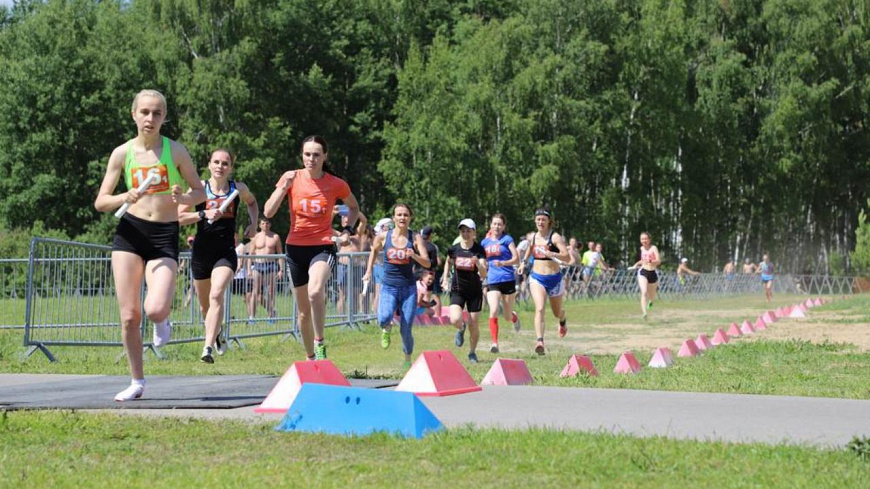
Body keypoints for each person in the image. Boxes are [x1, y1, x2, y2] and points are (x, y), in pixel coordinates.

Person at [94, 89, 205, 401]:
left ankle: (163, 320)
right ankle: (137, 381)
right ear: (134, 114)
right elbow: (101, 202)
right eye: (144, 112)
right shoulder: (122, 153)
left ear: (164, 117)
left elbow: (200, 192)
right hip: (130, 233)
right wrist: (124, 196)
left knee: (154, 309)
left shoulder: (176, 151)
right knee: (130, 316)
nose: (150, 118)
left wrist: (183, 197)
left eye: (157, 113)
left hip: (163, 234)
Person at [264, 135, 360, 360]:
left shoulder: (336, 184)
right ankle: (310, 358)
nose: (311, 159)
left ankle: (320, 341)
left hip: (322, 247)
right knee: (303, 313)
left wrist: (348, 231)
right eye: (307, 154)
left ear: (325, 156)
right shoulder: (291, 178)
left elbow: (354, 207)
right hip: (295, 248)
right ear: (302, 155)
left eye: (316, 155)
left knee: (315, 291)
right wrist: (283, 187)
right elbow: (268, 212)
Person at [178, 148, 258, 363]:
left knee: (216, 295)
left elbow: (252, 202)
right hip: (201, 253)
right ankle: (217, 333)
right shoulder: (199, 189)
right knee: (205, 307)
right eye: (216, 162)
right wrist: (203, 213)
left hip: (225, 252)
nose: (220, 167)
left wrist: (253, 224)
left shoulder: (238, 188)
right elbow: (178, 217)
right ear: (209, 164)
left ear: (230, 167)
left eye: (225, 163)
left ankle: (207, 348)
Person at [363, 203, 430, 367]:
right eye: (399, 215)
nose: (402, 218)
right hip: (389, 286)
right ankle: (386, 328)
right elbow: (374, 251)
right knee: (383, 318)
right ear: (394, 218)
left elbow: (427, 263)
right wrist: (368, 271)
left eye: (405, 215)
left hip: (408, 289)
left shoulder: (415, 238)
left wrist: (414, 255)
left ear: (410, 218)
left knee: (406, 330)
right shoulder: (383, 237)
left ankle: (407, 359)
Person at [516, 208, 569, 355]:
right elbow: (529, 249)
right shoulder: (533, 237)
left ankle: (563, 320)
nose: (540, 222)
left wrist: (553, 254)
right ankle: (540, 341)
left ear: (548, 221)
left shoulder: (555, 237)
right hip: (537, 278)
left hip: (555, 279)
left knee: (557, 312)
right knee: (540, 308)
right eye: (538, 219)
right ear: (535, 221)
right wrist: (523, 263)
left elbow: (567, 256)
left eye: (543, 220)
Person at [441, 218, 487, 363]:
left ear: (474, 232)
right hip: (458, 289)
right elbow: (448, 262)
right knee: (454, 319)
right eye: (463, 231)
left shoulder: (479, 250)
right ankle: (461, 328)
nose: (465, 234)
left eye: (468, 231)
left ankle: (472, 353)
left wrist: (478, 264)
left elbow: (484, 273)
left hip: (474, 291)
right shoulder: (454, 249)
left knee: (474, 324)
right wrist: (445, 278)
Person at [481, 213, 521, 353]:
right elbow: (482, 260)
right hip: (492, 280)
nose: (496, 226)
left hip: (508, 279)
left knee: (507, 316)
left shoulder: (507, 240)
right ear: (490, 225)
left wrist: (503, 263)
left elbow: (516, 259)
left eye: (499, 224)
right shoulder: (484, 242)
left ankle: (514, 317)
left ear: (503, 226)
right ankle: (494, 343)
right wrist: (481, 266)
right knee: (493, 310)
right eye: (494, 224)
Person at [249, 217, 283, 322]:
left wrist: (281, 270)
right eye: (263, 223)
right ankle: (252, 317)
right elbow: (250, 254)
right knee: (255, 291)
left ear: (270, 225)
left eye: (267, 223)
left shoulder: (275, 237)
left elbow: (280, 254)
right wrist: (249, 270)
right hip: (258, 265)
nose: (265, 225)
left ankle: (271, 316)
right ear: (260, 225)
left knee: (270, 290)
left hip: (271, 265)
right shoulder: (256, 237)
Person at [631, 232, 661, 320]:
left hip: (652, 272)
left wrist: (651, 261)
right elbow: (642, 260)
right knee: (644, 292)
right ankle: (644, 313)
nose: (644, 240)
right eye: (642, 239)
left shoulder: (653, 248)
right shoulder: (641, 248)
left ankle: (651, 301)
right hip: (643, 271)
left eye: (645, 239)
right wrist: (636, 264)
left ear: (649, 239)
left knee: (652, 295)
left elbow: (658, 261)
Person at [417, 226, 443, 315]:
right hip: (430, 273)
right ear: (430, 235)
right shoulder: (433, 247)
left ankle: (424, 316)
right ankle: (437, 316)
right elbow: (437, 262)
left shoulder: (418, 245)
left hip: (419, 273)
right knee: (435, 295)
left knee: (422, 295)